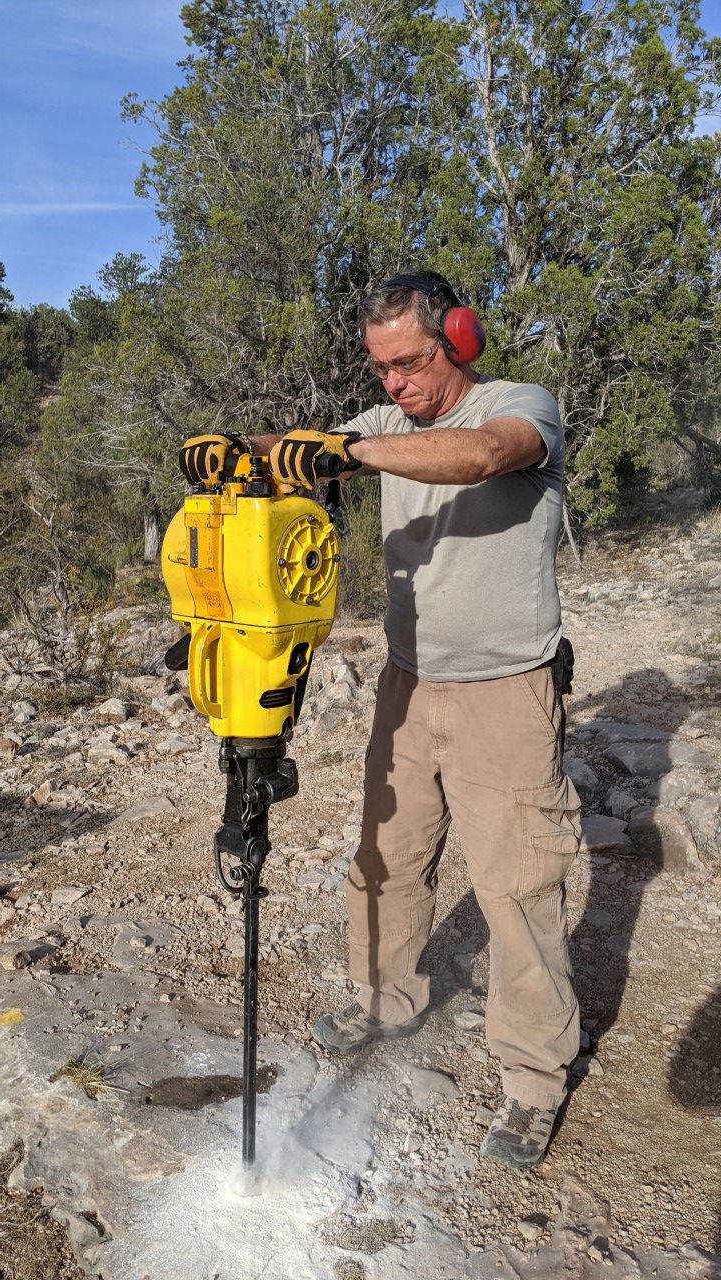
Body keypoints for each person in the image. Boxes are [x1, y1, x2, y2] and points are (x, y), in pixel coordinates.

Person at [178, 269, 582, 1171]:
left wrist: (346, 456)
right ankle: (382, 999)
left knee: (518, 887)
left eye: (408, 363)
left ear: (459, 340)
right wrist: (235, 450)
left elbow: (481, 456)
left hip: (505, 690)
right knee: (385, 860)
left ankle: (533, 1080)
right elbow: (301, 444)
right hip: (406, 684)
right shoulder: (383, 422)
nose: (394, 385)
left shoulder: (523, 406)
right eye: (381, 369)